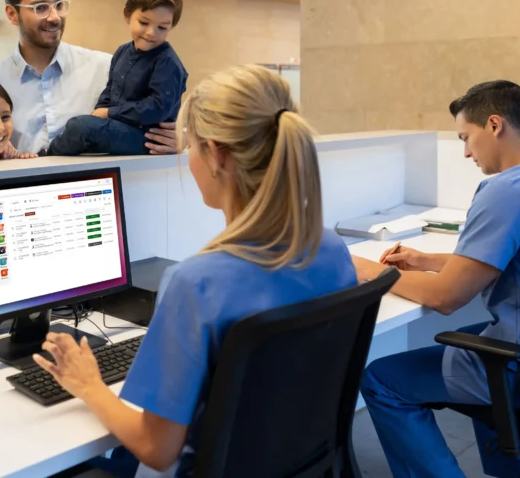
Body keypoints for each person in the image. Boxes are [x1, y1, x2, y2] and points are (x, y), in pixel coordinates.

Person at [31, 64, 358, 477]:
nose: (188, 159)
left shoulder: (197, 283)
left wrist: (88, 384)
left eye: (190, 145)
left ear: (217, 155)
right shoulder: (329, 248)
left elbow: (157, 448)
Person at [353, 81, 520, 478]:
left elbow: (446, 298)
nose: (465, 152)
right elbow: (517, 258)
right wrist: (426, 259)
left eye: (466, 137)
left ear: (494, 125)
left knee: (380, 379)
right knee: (476, 340)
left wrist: (373, 273)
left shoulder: (506, 190)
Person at [0, 0, 180, 156]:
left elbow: (158, 114)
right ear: (12, 14)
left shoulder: (105, 66)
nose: (54, 17)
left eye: (59, 5)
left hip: (100, 184)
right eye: (41, 7)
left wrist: (179, 139)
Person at [45, 0, 188, 156]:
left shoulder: (168, 63)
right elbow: (110, 90)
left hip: (147, 137)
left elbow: (157, 108)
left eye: (162, 27)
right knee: (83, 125)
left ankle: (46, 156)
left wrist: (110, 113)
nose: (152, 33)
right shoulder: (122, 52)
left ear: (171, 26)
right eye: (144, 23)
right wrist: (99, 112)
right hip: (121, 128)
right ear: (127, 14)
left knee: (80, 127)